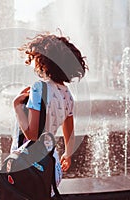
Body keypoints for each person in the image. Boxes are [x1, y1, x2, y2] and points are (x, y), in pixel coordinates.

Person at [11, 33, 88, 192]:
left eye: (33, 56)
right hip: (51, 165)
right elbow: (69, 132)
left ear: (42, 60)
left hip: (28, 163)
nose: (30, 61)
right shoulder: (67, 94)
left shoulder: (39, 88)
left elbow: (32, 135)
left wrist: (17, 105)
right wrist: (67, 154)